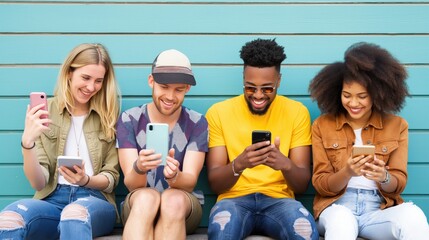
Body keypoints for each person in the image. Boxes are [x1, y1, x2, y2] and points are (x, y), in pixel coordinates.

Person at [309, 42, 429, 239]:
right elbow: (321, 184)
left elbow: (398, 184)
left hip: (378, 210)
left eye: (362, 96)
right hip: (336, 207)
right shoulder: (323, 125)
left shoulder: (397, 125)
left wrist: (383, 176)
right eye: (346, 95)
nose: (353, 103)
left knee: (413, 216)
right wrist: (347, 172)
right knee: (341, 221)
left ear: (377, 93)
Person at [0, 43, 121, 239]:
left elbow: (111, 178)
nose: (91, 87)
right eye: (85, 77)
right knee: (8, 219)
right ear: (69, 73)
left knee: (74, 216)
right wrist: (28, 142)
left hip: (94, 200)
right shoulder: (46, 111)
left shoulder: (109, 115)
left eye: (98, 81)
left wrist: (86, 180)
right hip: (51, 201)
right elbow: (39, 183)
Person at [205, 38, 319, 240]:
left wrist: (284, 164)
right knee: (223, 230)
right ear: (243, 78)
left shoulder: (297, 112)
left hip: (280, 201)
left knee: (304, 230)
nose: (258, 96)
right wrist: (240, 164)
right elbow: (215, 183)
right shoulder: (218, 113)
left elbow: (301, 185)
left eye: (267, 89)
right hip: (233, 200)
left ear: (279, 81)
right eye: (250, 88)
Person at [116, 49, 208, 240]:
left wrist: (175, 176)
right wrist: (140, 168)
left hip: (182, 206)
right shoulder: (129, 119)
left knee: (171, 199)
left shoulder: (197, 122)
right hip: (139, 205)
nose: (170, 96)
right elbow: (132, 185)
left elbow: (189, 183)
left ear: (187, 89)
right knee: (146, 197)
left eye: (178, 90)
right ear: (151, 81)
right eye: (164, 87)